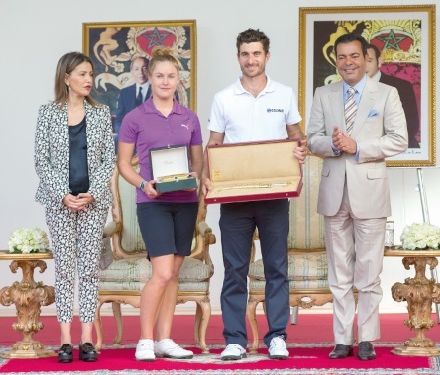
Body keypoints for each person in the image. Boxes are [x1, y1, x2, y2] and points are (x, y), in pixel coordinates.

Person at [202, 28, 306, 361]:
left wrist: (300, 149)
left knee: (276, 266)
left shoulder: (284, 94)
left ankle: (277, 336)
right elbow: (213, 145)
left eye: (257, 53)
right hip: (234, 197)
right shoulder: (223, 98)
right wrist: (208, 176)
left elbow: (296, 137)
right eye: (245, 54)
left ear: (267, 56)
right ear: (239, 58)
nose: (251, 60)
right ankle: (234, 339)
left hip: (275, 195)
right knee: (234, 268)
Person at [306, 33, 408, 361]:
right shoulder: (324, 94)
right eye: (342, 57)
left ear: (366, 59)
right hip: (334, 192)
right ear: (335, 60)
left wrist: (359, 147)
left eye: (354, 56)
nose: (348, 62)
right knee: (339, 272)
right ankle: (341, 339)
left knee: (368, 271)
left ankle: (366, 338)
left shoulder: (387, 94)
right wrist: (333, 144)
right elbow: (312, 140)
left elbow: (399, 140)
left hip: (371, 192)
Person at [117, 47, 202, 361]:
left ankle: (165, 339)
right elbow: (124, 164)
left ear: (178, 79)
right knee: (162, 272)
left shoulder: (189, 118)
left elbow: (198, 163)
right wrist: (143, 184)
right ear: (149, 78)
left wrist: (196, 175)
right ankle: (145, 339)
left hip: (186, 201)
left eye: (171, 76)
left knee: (174, 273)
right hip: (152, 202)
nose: (165, 81)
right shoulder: (134, 118)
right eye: (159, 76)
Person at [34, 52, 116, 363]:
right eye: (81, 74)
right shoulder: (47, 114)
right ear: (66, 77)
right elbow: (42, 161)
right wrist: (63, 195)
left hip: (93, 204)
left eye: (90, 74)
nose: (88, 80)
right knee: (65, 270)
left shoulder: (100, 113)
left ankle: (87, 339)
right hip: (60, 205)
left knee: (90, 271)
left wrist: (93, 193)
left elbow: (107, 160)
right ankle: (66, 339)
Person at [365, 43, 420, 148]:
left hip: (398, 148)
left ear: (379, 62)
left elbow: (411, 126)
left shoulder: (402, 86)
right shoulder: (350, 88)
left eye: (369, 61)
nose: (365, 66)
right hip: (362, 150)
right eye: (361, 61)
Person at [113, 56, 151, 149]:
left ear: (150, 70)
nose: (140, 72)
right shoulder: (125, 92)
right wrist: (124, 133)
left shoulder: (157, 91)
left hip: (150, 137)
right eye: (136, 69)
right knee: (114, 141)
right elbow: (119, 119)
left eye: (144, 68)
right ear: (132, 71)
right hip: (128, 137)